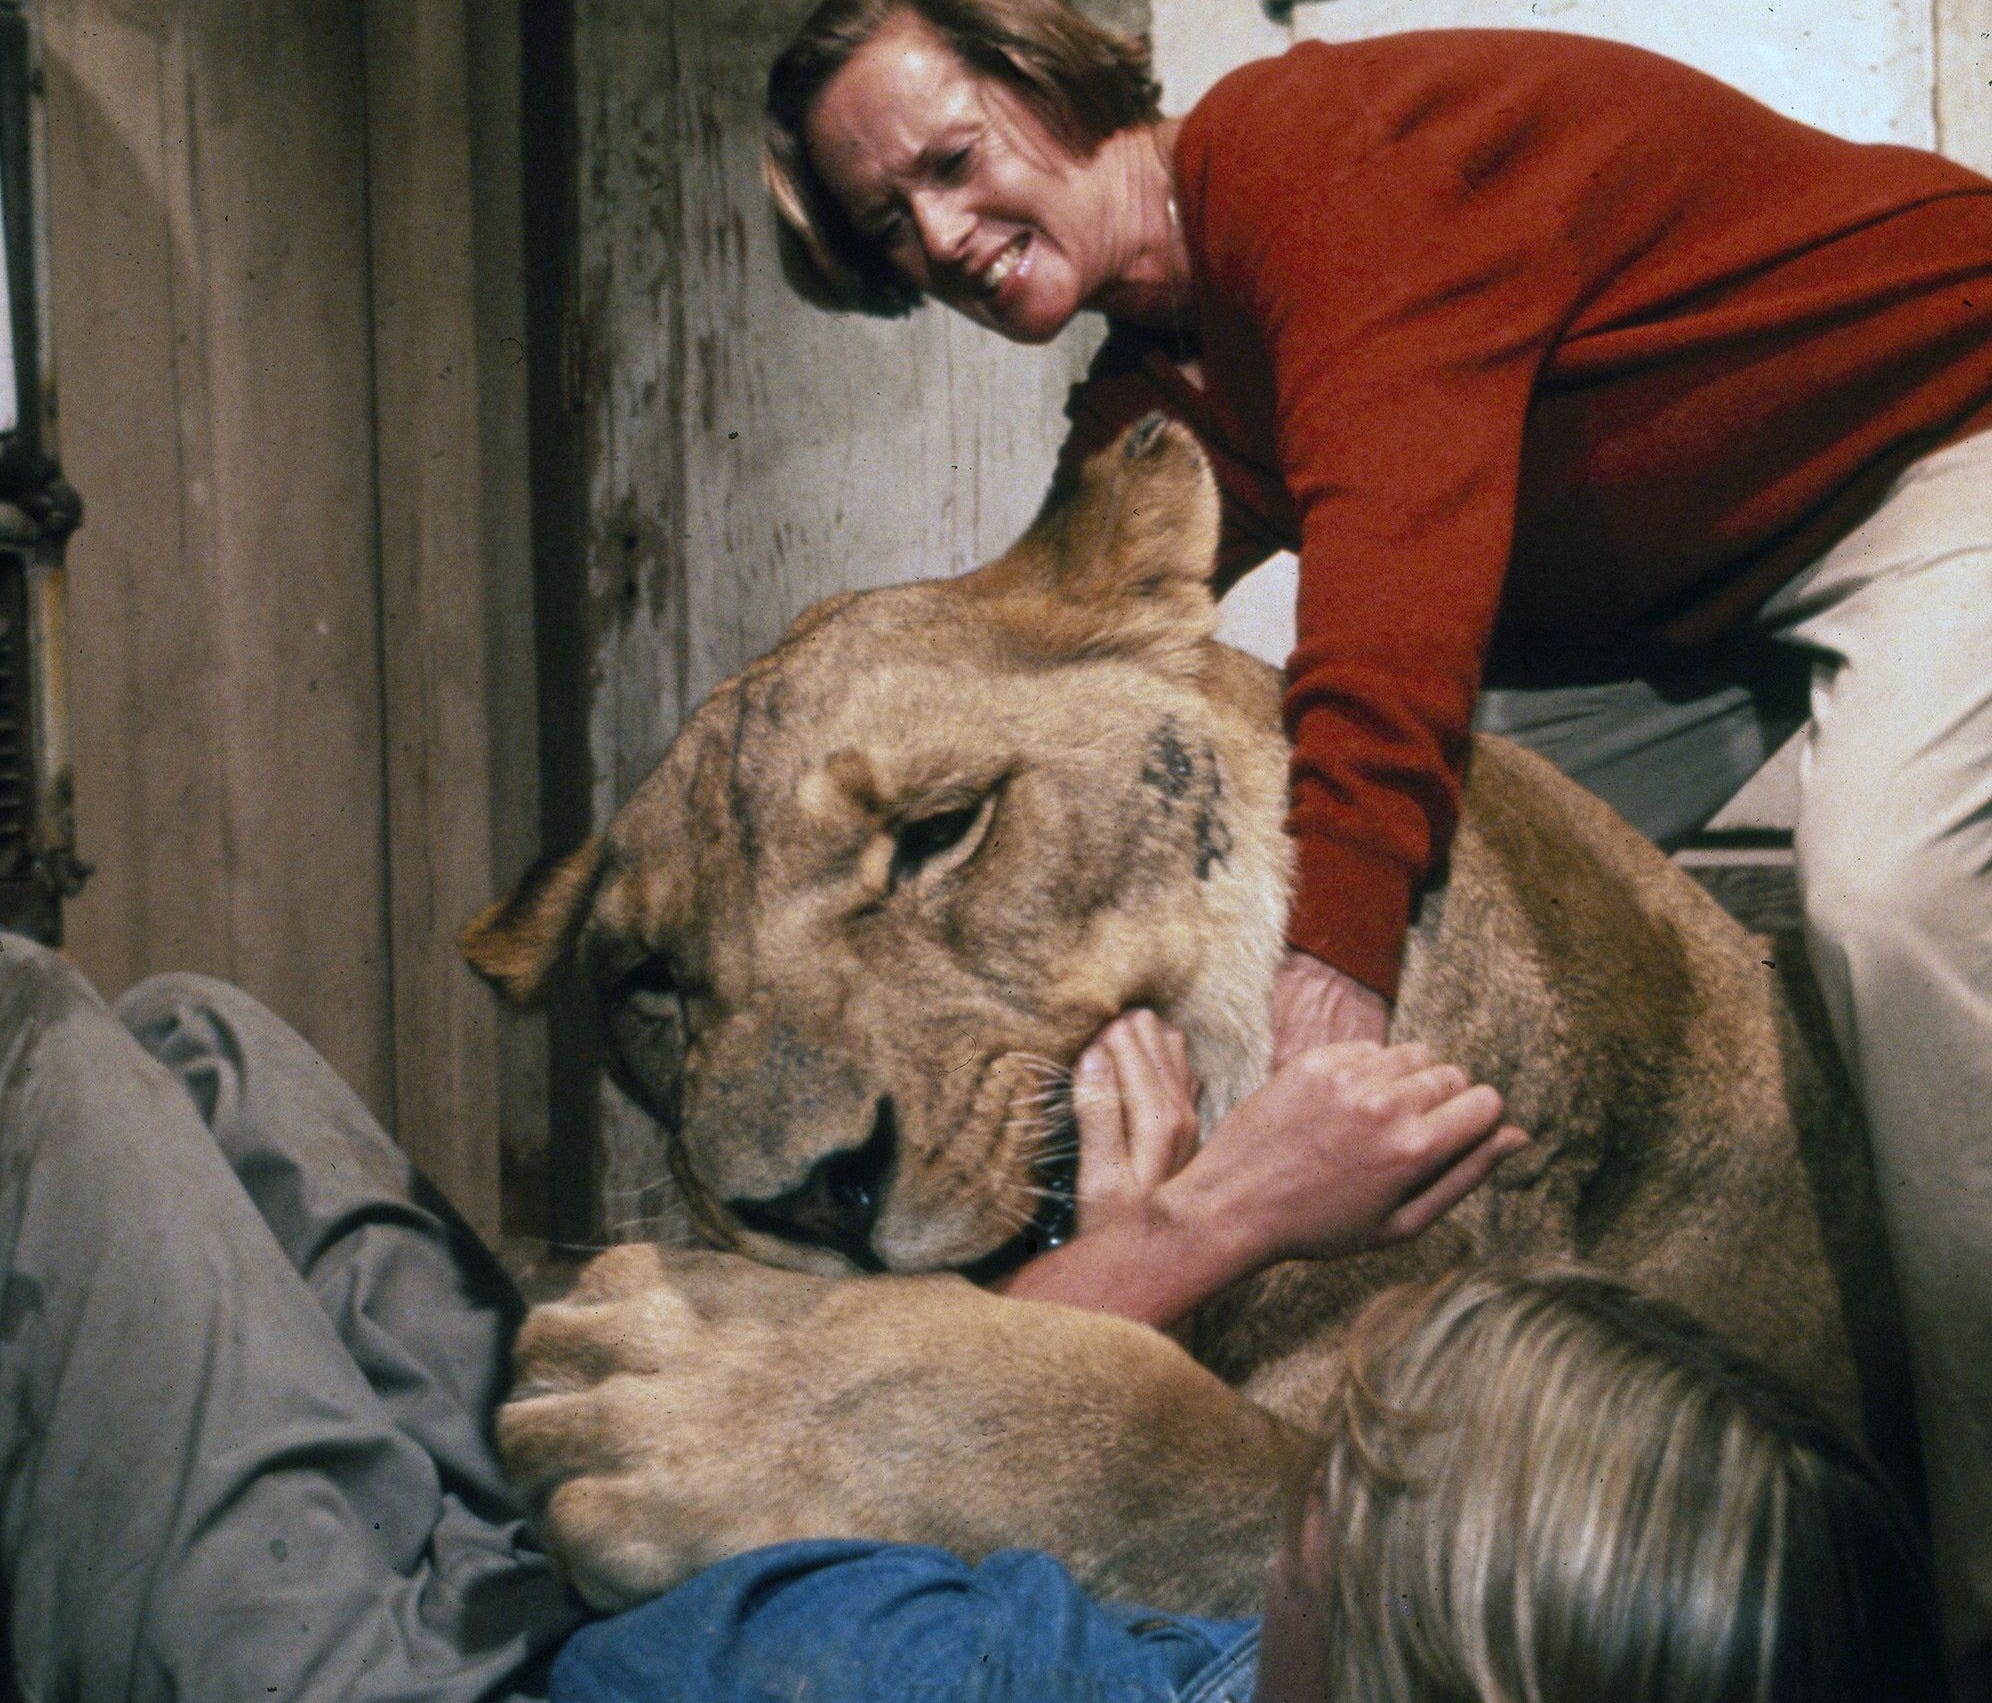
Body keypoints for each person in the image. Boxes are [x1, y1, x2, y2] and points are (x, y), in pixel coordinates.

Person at [760, 1, 1992, 1682]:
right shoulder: (1155, 390)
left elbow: (1393, 606)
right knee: (1325, 866)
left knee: (1888, 905)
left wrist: (1327, 979)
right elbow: (1040, 658)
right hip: (1700, 601)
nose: (948, 241)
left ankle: (1977, 1591)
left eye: (953, 165)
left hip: (1939, 437)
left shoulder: (1306, 157)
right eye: (892, 228)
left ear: (1047, 81)